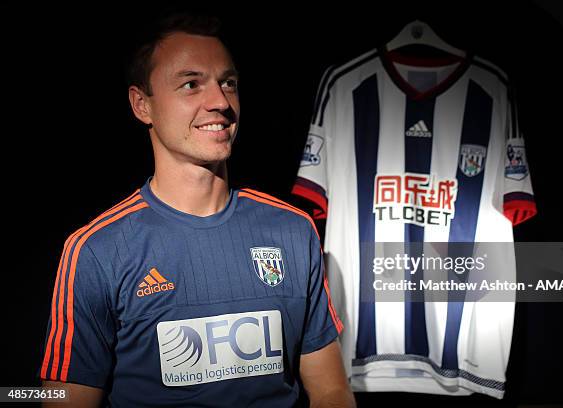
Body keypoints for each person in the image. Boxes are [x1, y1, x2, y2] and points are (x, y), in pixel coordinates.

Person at [40, 12, 355, 407]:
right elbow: (66, 399)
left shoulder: (292, 230)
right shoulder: (96, 250)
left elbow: (331, 390)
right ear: (142, 105)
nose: (221, 102)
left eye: (228, 83)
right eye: (191, 84)